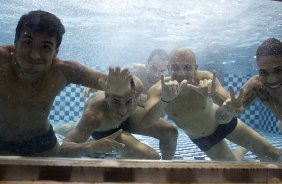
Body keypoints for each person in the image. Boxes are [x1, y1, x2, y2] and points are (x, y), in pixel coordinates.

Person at [0, 10, 132, 156]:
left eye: (45, 47)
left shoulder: (62, 71)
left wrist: (119, 88)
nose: (34, 54)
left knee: (60, 174)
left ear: (55, 52)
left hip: (40, 142)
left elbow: (103, 82)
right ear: (15, 41)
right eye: (28, 42)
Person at [142, 47, 281, 161]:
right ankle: (241, 150)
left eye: (186, 67)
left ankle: (243, 148)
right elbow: (146, 122)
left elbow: (232, 106)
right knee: (233, 171)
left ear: (195, 68)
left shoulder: (206, 78)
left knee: (273, 154)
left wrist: (213, 93)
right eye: (175, 67)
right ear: (168, 68)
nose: (181, 73)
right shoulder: (158, 89)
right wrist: (165, 99)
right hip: (205, 139)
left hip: (224, 122)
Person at [59, 76, 178, 160]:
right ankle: (65, 128)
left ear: (135, 96)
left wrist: (166, 99)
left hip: (130, 119)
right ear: (106, 96)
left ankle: (167, 172)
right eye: (116, 102)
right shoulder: (93, 115)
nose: (123, 110)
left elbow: (154, 110)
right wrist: (91, 147)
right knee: (151, 157)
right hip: (105, 129)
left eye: (129, 101)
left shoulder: (137, 89)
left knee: (171, 132)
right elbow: (63, 150)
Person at [83, 49, 169, 107]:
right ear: (147, 64)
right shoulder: (134, 70)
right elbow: (112, 84)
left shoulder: (166, 82)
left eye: (162, 71)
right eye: (153, 69)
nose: (156, 74)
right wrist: (96, 85)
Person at [242, 38, 282, 132]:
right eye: (263, 72)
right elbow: (226, 114)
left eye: (279, 70)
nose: (272, 80)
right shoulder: (257, 86)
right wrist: (228, 111)